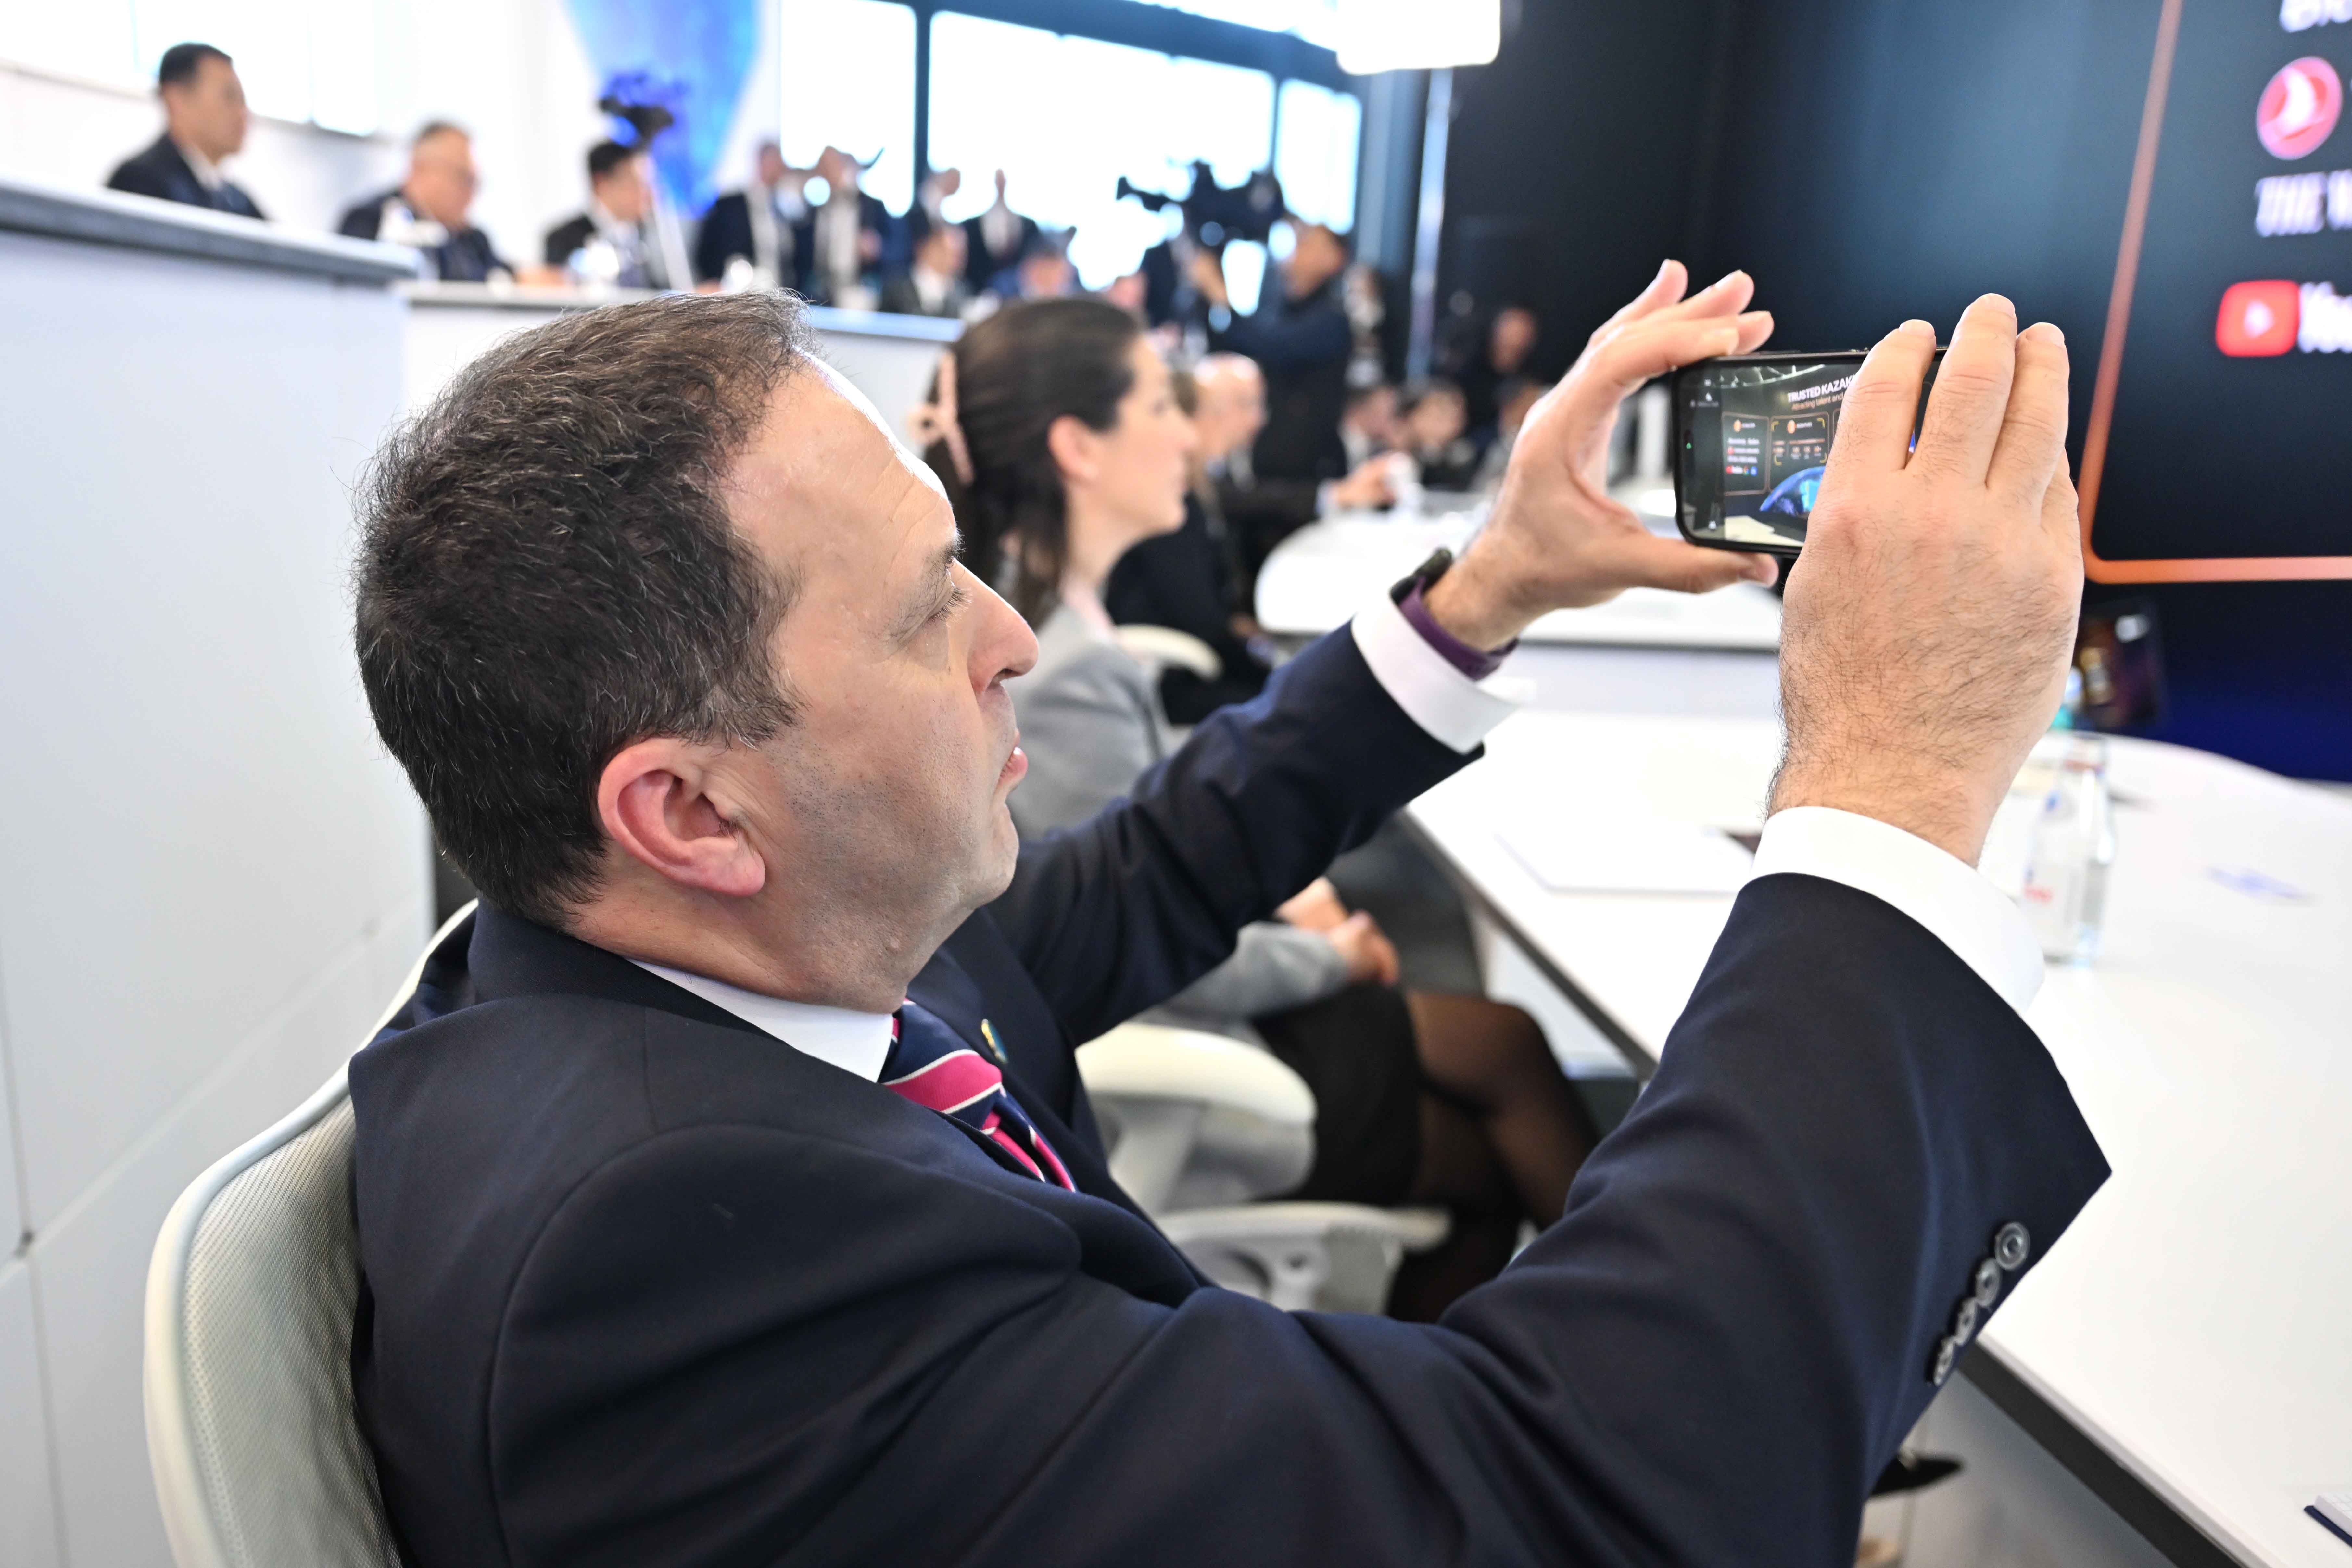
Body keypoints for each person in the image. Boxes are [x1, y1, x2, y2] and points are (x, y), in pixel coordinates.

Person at [347, 272, 2107, 1565]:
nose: (1007, 635)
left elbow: (1154, 864)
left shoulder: (707, 952)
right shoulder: (680, 1264)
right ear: (689, 809)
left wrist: (1495, 577)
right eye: (922, 611)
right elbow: (1580, 1514)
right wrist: (1890, 777)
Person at [932, 298, 1597, 1313]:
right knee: (1496, 1092)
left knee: (1499, 1066)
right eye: (1162, 404)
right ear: (1078, 446)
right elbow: (1130, 907)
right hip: (1191, 1042)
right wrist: (1330, 955)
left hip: (1208, 1003)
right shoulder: (1061, 666)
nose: (1189, 432)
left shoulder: (1067, 626)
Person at [1104, 364, 1273, 723]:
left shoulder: (1196, 494)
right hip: (1174, 676)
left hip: (1195, 656)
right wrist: (1264, 663)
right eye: (1215, 412)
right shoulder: (1168, 506)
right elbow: (1198, 617)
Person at [1191, 353, 1393, 580]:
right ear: (1209, 406)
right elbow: (1242, 500)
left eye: (1260, 404)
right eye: (1245, 404)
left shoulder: (1238, 455)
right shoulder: (1193, 468)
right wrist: (1338, 495)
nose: (1258, 419)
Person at [1193, 220, 1353, 483]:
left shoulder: (1331, 319)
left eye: (1308, 243)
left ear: (1335, 258)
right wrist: (1208, 297)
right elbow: (1235, 347)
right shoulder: (1281, 307)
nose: (1298, 248)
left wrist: (1221, 298)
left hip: (1307, 467)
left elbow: (1270, 346)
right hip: (1268, 457)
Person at [107, 43, 264, 219]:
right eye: (230, 97)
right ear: (177, 100)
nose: (243, 113)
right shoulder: (138, 184)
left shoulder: (238, 200)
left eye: (243, 101)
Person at [338, 122, 509, 283]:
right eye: (461, 176)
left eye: (474, 181)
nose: (470, 192)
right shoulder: (368, 222)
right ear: (420, 168)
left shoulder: (471, 239)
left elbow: (503, 275)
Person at [543, 141, 669, 289]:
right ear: (601, 184)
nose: (647, 194)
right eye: (636, 183)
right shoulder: (564, 240)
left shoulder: (651, 234)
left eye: (648, 184)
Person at [693, 140, 808, 289]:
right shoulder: (730, 205)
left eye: (779, 164)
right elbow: (705, 251)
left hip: (780, 292)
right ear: (760, 162)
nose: (776, 169)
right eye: (771, 162)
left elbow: (797, 256)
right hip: (739, 293)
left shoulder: (785, 208)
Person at [803, 145, 897, 308]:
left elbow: (898, 250)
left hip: (860, 292)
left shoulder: (874, 208)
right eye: (825, 168)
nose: (830, 172)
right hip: (822, 293)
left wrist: (877, 248)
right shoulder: (816, 210)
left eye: (835, 165)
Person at [1460, 303, 1541, 435]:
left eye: (1520, 331)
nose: (1514, 338)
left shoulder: (1534, 375)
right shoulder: (1467, 371)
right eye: (1510, 329)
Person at [963, 167, 1040, 293]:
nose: (1001, 185)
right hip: (976, 291)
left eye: (1004, 181)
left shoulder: (1029, 224)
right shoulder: (971, 226)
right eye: (998, 181)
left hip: (1018, 295)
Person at [1400, 378, 1482, 492]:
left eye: (1457, 413)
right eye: (1440, 413)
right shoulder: (1396, 455)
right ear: (1413, 416)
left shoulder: (1464, 456)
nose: (1452, 419)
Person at [880, 222, 970, 318]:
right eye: (951, 253)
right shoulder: (896, 286)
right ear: (929, 248)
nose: (959, 259)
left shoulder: (963, 292)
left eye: (961, 253)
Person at [1340, 380, 1401, 471]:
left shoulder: (1377, 446)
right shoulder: (1338, 443)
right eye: (1387, 414)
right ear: (1363, 410)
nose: (1393, 423)